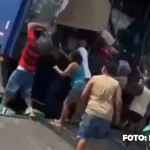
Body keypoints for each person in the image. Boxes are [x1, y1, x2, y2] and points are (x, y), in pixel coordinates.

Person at [2, 22, 55, 117]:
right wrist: (48, 34)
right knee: (27, 93)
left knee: (10, 89)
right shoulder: (41, 52)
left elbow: (30, 25)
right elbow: (50, 47)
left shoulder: (30, 42)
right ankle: (30, 110)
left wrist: (43, 27)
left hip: (21, 70)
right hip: (31, 73)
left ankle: (3, 105)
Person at [76, 63, 122, 150]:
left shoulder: (95, 78)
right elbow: (118, 102)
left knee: (83, 137)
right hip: (106, 115)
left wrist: (80, 108)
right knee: (98, 140)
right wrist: (117, 118)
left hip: (91, 111)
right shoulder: (116, 84)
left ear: (104, 68)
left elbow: (83, 95)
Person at [52, 51, 85, 127]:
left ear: (73, 57)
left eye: (70, 55)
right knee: (77, 104)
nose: (69, 56)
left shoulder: (73, 64)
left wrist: (56, 68)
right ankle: (75, 119)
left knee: (66, 103)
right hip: (83, 86)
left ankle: (61, 122)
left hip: (77, 85)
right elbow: (72, 75)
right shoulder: (80, 65)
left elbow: (63, 74)